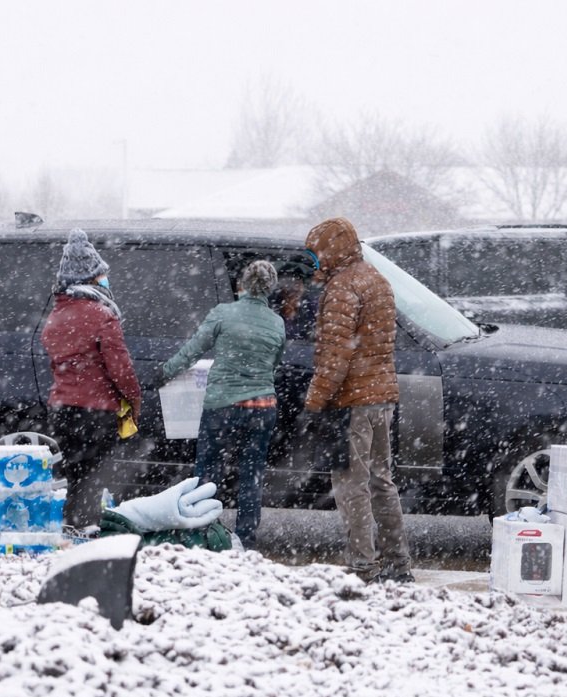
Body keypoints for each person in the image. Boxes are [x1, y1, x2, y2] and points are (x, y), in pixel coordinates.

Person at [302, 217, 413, 584]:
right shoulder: (376, 280)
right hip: (381, 396)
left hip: (351, 400)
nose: (313, 263)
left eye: (315, 255)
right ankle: (399, 563)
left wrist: (315, 401)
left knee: (353, 486)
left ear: (332, 252)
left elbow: (336, 355)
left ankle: (363, 566)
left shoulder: (343, 288)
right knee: (382, 482)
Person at [159, 260, 286, 549]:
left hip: (222, 407)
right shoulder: (276, 323)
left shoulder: (223, 314)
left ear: (242, 284)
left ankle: (203, 533)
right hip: (262, 407)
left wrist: (165, 372)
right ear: (271, 288)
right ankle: (246, 541)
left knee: (208, 472)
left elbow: (193, 349)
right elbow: (274, 364)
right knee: (252, 475)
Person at [41, 228, 142, 530]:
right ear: (89, 279)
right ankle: (85, 531)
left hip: (62, 408)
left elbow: (55, 366)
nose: (105, 281)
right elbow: (120, 368)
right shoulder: (101, 315)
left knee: (74, 474)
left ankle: (72, 527)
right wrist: (134, 400)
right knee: (94, 475)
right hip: (96, 412)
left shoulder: (55, 317)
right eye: (101, 276)